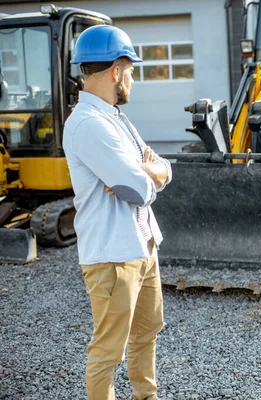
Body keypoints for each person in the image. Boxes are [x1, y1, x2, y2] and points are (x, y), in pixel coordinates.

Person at [63, 25, 172, 400]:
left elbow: (162, 169)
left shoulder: (117, 119)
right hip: (112, 255)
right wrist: (145, 174)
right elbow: (139, 189)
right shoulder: (89, 124)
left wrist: (147, 171)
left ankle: (146, 396)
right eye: (131, 70)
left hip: (142, 245)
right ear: (114, 71)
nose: (132, 79)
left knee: (146, 332)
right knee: (108, 350)